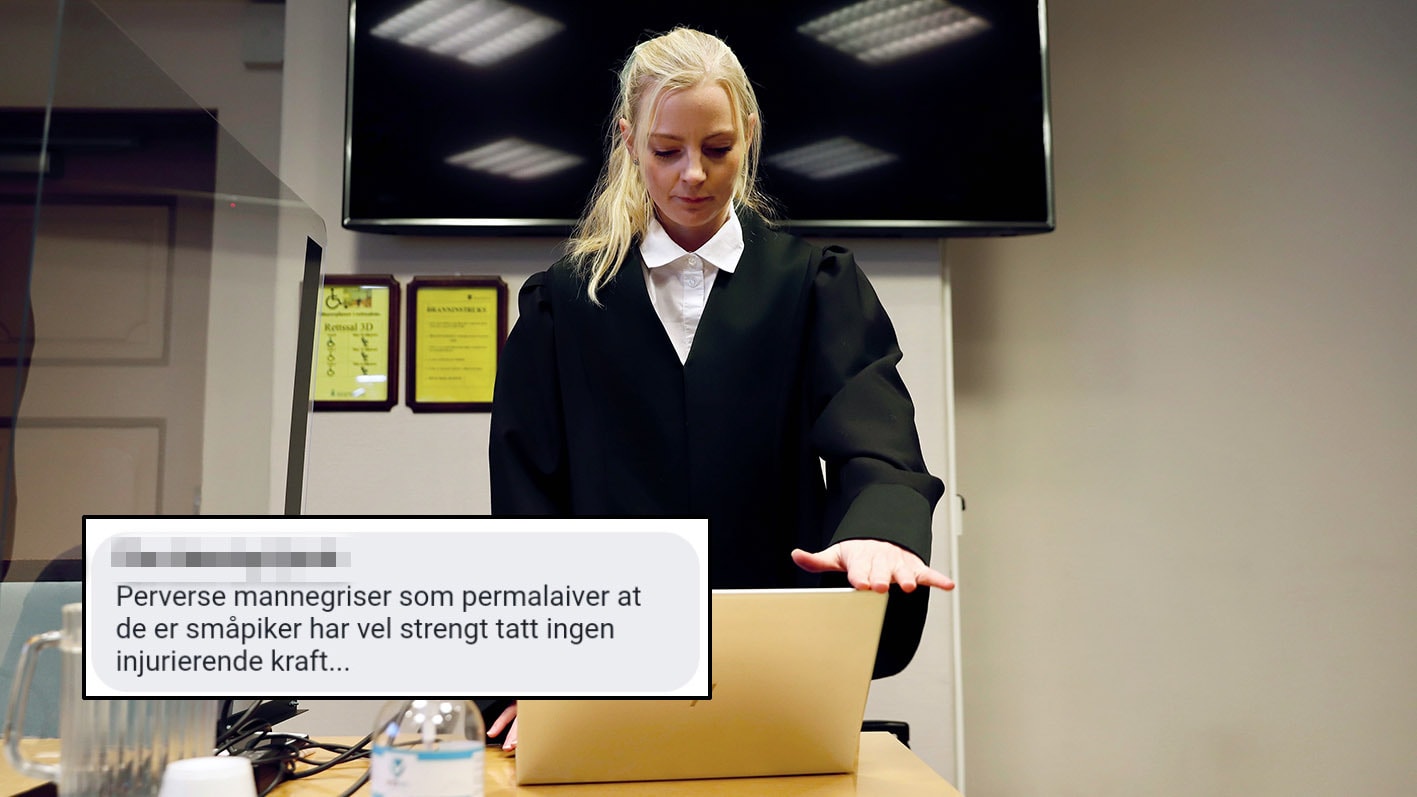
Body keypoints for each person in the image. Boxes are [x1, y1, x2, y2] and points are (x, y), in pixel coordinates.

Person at [485, 27, 953, 751]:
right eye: (666, 150)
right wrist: (531, 666)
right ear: (629, 142)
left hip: (775, 653)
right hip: (607, 660)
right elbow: (526, 503)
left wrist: (879, 529)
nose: (693, 175)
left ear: (748, 136)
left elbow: (877, 440)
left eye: (718, 147)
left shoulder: (813, 285)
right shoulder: (564, 304)